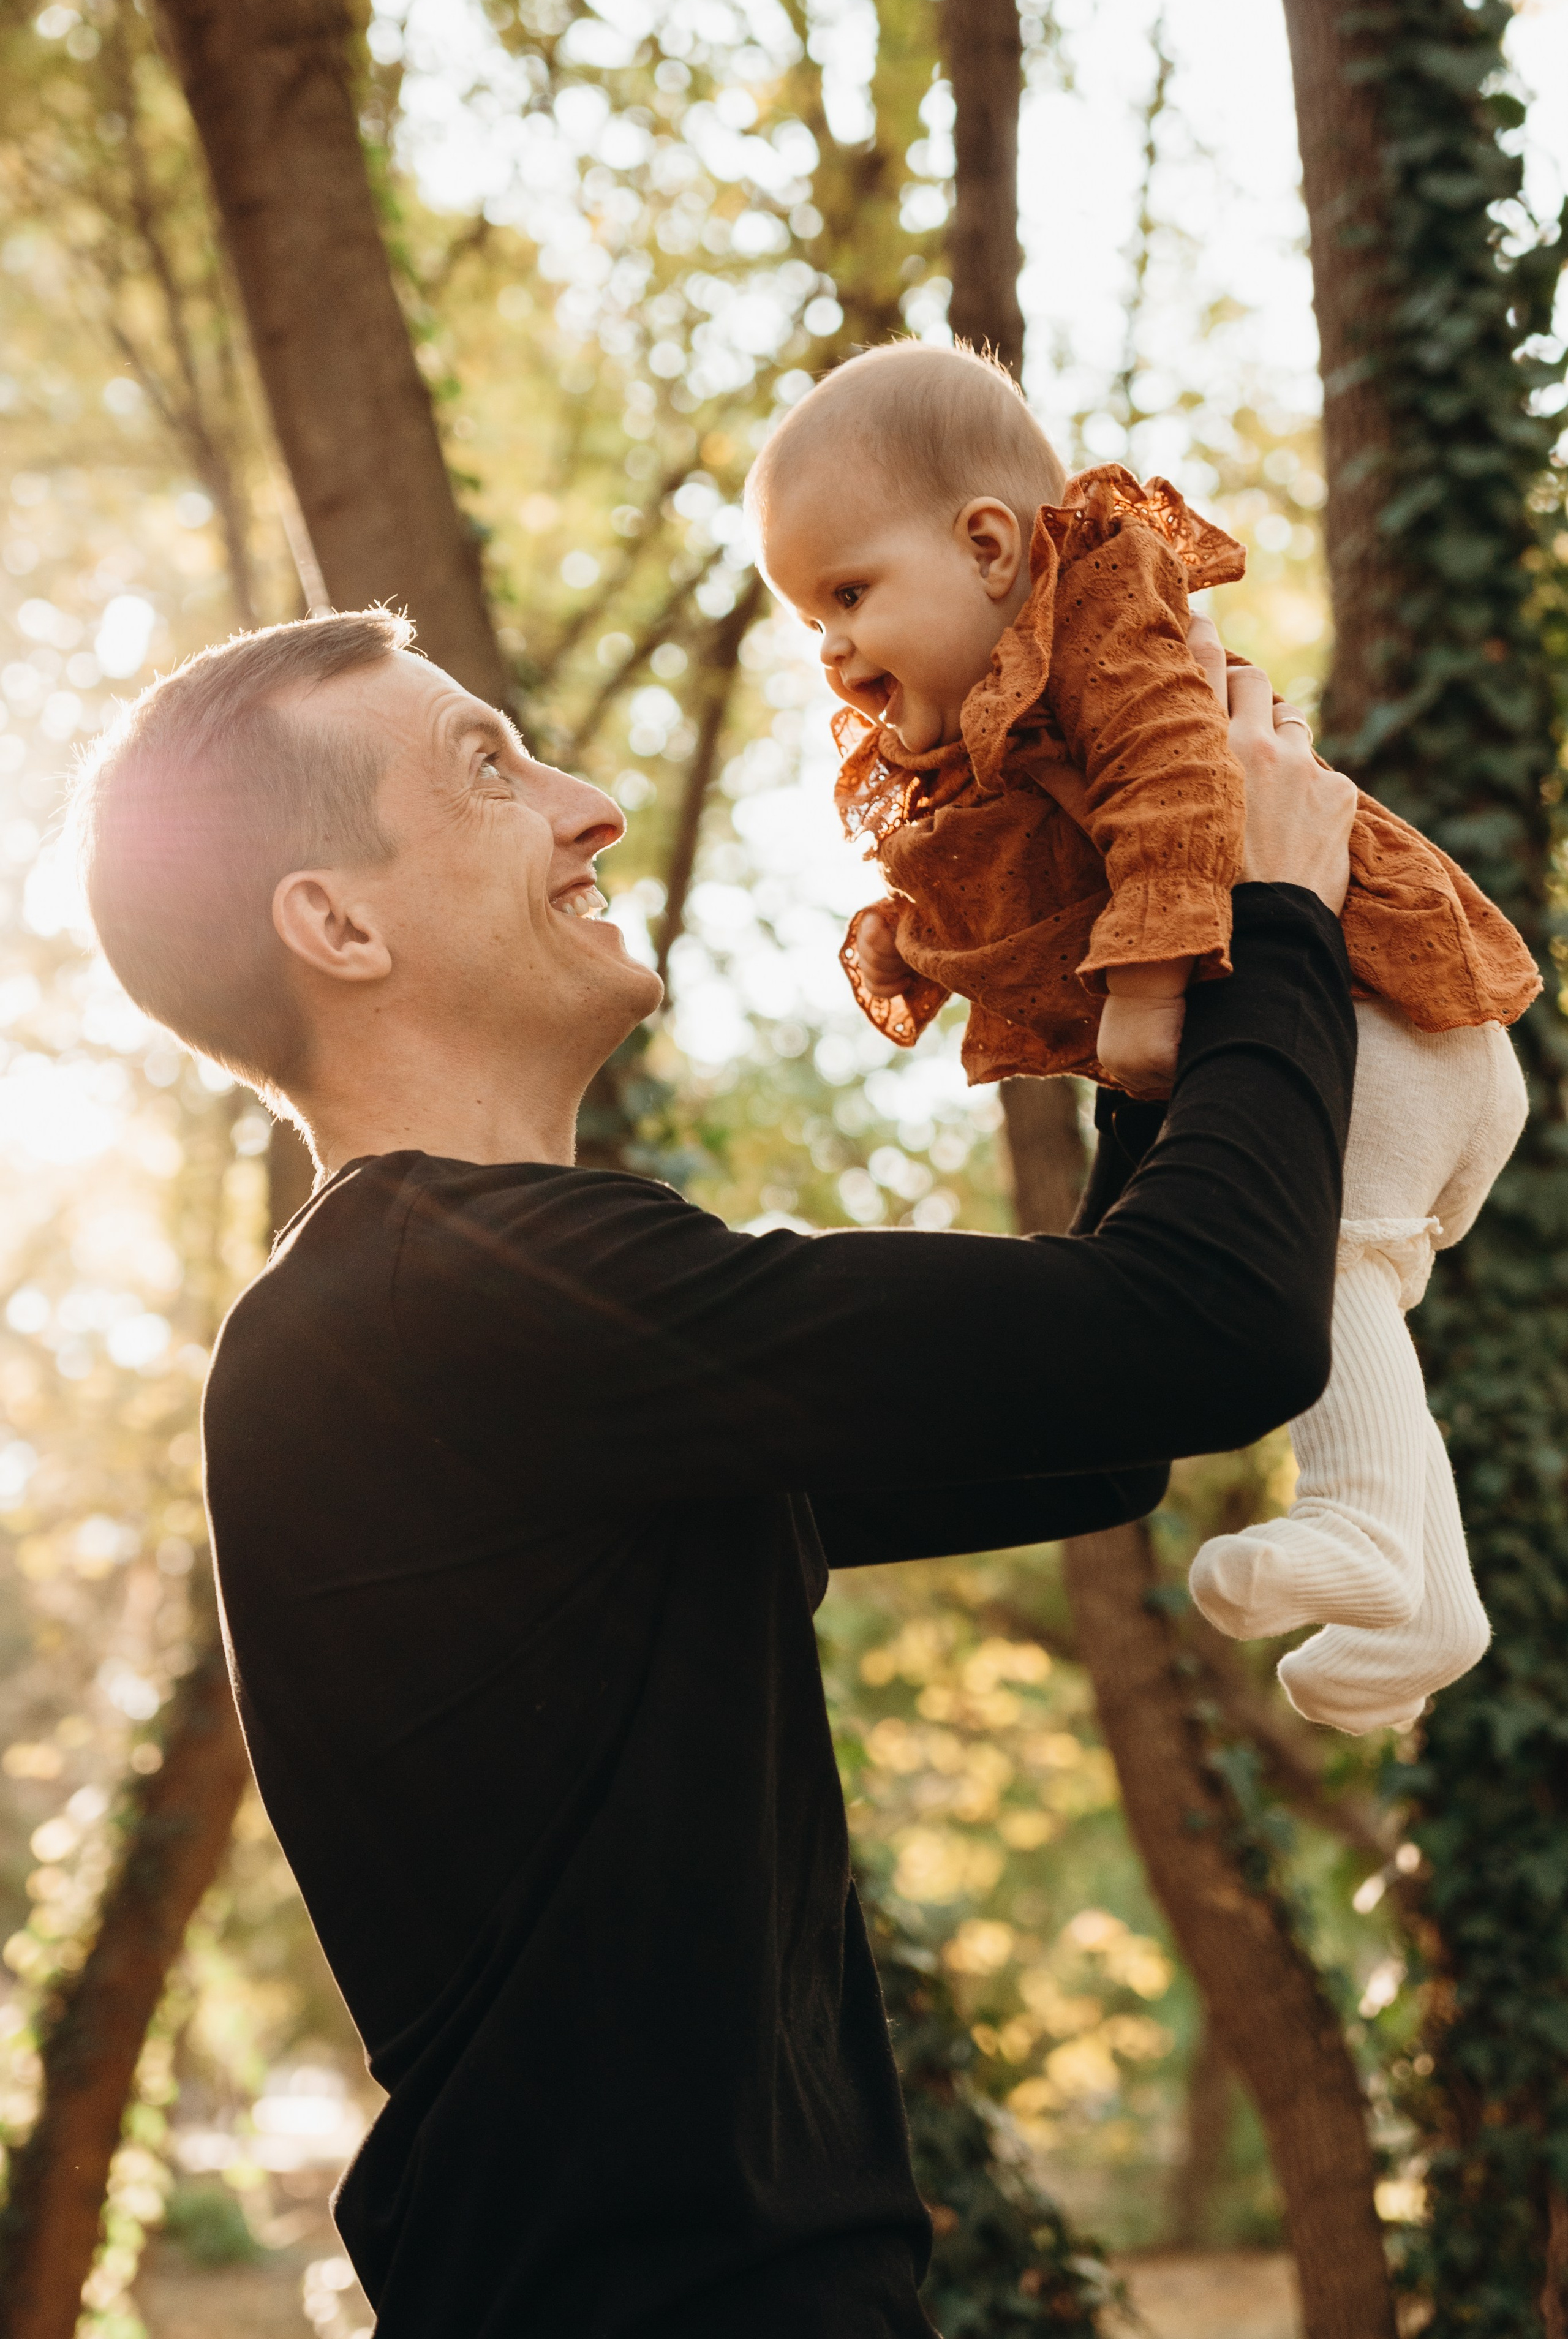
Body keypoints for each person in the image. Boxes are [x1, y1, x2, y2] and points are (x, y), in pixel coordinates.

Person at [73, 605, 1354, 2338]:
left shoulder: (494, 1327)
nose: (590, 799)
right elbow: (1215, 1332)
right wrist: (1266, 910)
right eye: (487, 766)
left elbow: (1107, 1424)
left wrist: (1152, 972)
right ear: (336, 924)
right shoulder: (436, 1306)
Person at [749, 339, 1536, 1734]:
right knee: (1360, 1288)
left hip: (1379, 1011)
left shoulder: (1106, 610)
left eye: (848, 592)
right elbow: (1010, 889)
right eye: (810, 616)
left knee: (1333, 1258)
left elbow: (1177, 793)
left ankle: (1356, 1515)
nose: (830, 646)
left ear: (989, 545)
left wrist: (1151, 987)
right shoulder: (1006, 719)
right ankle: (1429, 1605)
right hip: (1384, 1040)